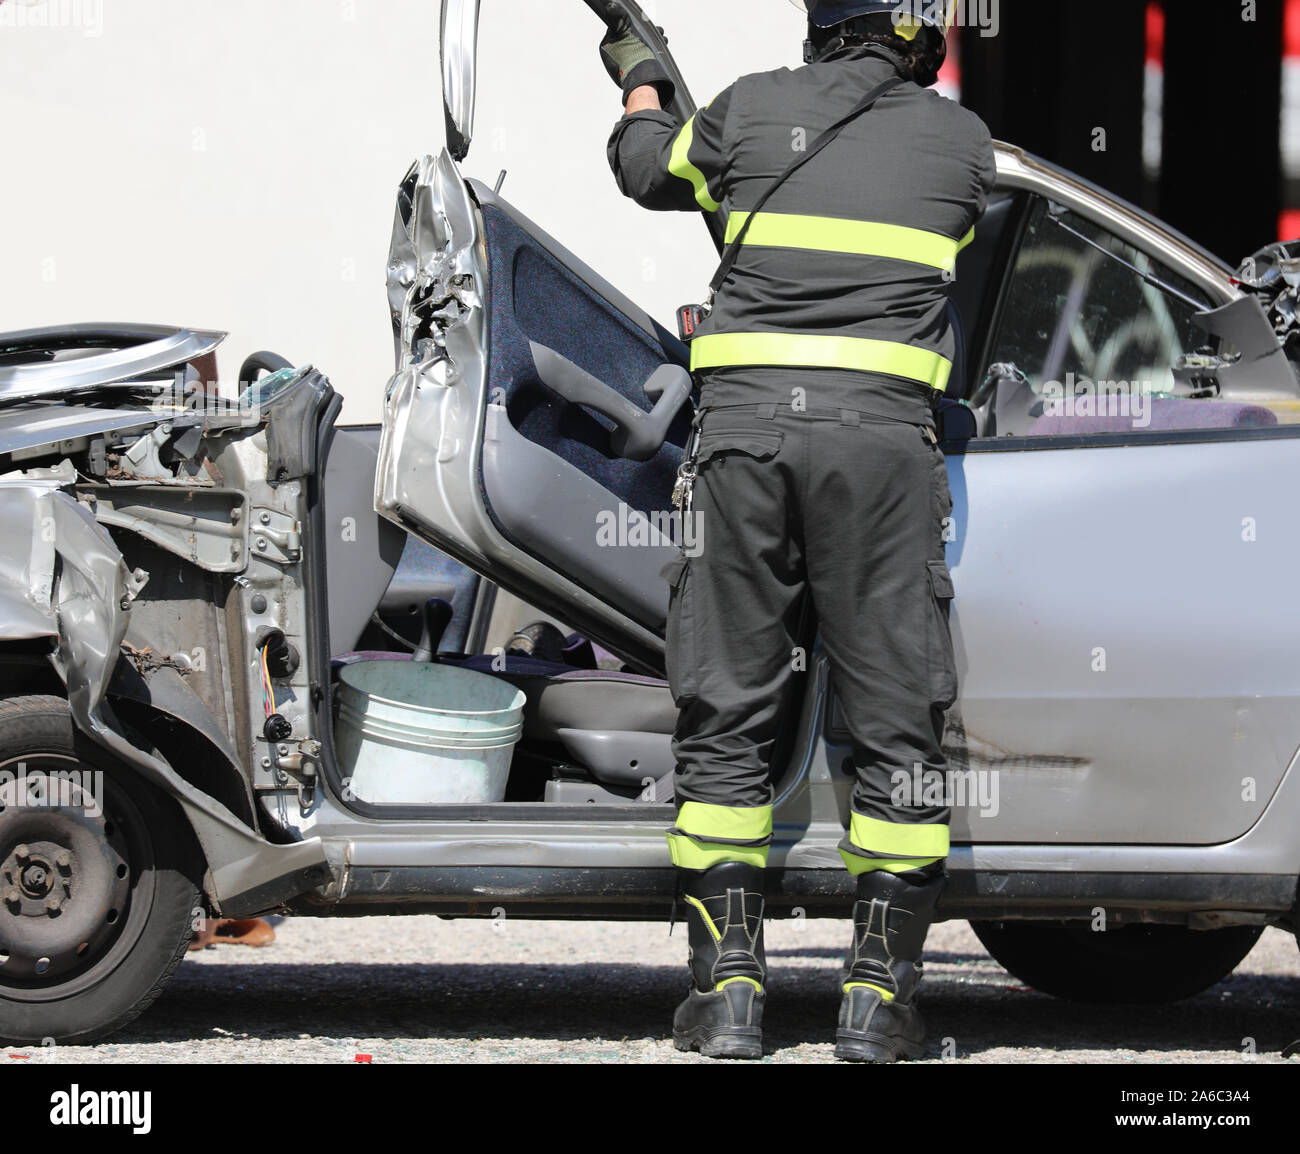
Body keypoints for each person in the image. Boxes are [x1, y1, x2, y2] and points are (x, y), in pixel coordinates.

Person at [602, 0, 996, 1061]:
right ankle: (878, 1001)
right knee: (895, 720)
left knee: (727, 705)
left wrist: (640, 72)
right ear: (917, 33)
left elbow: (647, 166)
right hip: (880, 454)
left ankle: (726, 993)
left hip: (745, 443)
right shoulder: (961, 142)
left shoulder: (746, 111)